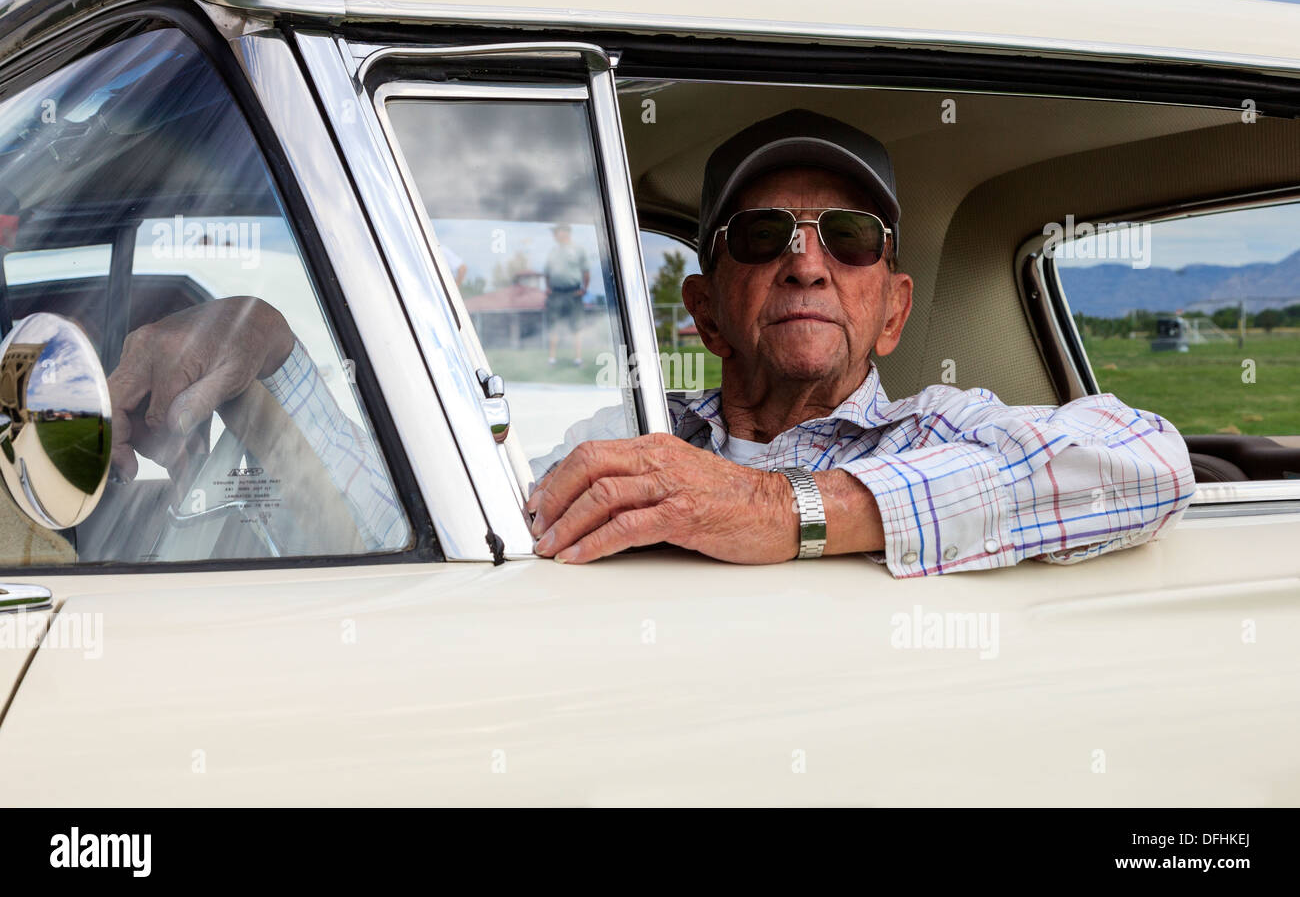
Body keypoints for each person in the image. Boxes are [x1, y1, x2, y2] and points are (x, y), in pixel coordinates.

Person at [106, 110, 1195, 576]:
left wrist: (789, 511)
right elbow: (441, 541)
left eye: (849, 238)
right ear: (704, 309)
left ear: (894, 308)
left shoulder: (935, 427)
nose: (808, 262)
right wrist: (270, 352)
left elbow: (1147, 459)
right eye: (763, 236)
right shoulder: (628, 441)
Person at [543, 222, 589, 367]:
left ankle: (578, 359)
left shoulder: (578, 250)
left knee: (577, 326)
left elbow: (586, 271)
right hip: (556, 293)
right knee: (553, 325)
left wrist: (584, 289)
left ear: (565, 233)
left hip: (573, 293)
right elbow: (547, 272)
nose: (555, 235)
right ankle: (552, 359)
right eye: (554, 233)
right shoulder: (553, 251)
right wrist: (548, 288)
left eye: (557, 232)